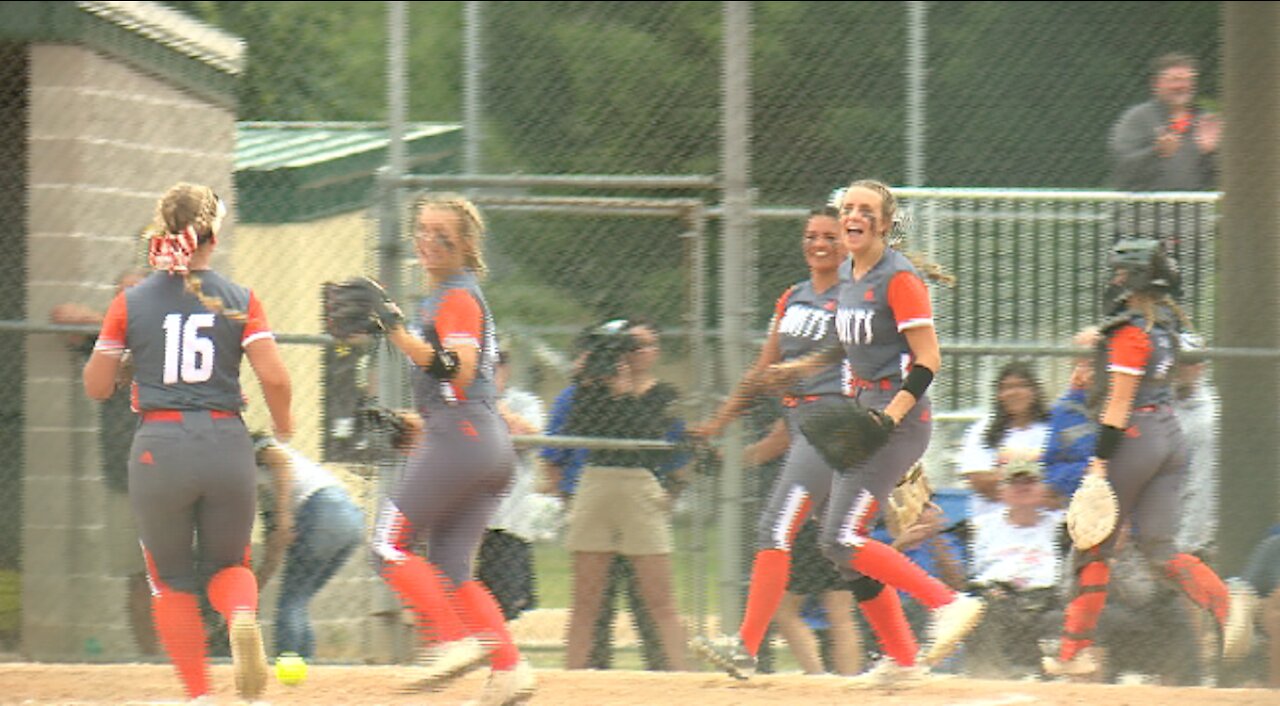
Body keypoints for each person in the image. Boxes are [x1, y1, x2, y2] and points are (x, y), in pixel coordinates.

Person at [749, 179, 985, 686]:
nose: (853, 215)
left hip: (897, 419)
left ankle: (948, 602)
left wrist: (891, 417)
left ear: (883, 223)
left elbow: (928, 360)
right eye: (847, 208)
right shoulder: (853, 276)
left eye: (865, 210)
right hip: (865, 412)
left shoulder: (898, 279)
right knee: (836, 544)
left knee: (843, 535)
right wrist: (800, 368)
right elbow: (846, 347)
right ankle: (902, 661)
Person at [82, 183, 293, 702]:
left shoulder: (130, 301)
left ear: (161, 230)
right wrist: (284, 426)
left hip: (160, 445)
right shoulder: (241, 298)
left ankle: (199, 694)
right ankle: (241, 614)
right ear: (212, 237)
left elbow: (97, 385)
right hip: (226, 441)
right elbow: (277, 378)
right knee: (231, 566)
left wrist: (132, 355)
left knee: (170, 579)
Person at [1041, 238, 1250, 678]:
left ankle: (1072, 652)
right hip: (1170, 436)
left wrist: (1098, 467)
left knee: (1092, 545)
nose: (1115, 281)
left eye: (1121, 274)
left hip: (1136, 435)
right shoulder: (1166, 329)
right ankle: (1228, 609)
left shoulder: (1129, 331)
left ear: (1135, 280)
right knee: (1160, 551)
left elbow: (1117, 406)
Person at [369, 192, 533, 704]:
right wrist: (415, 421)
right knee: (450, 568)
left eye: (444, 234)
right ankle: (508, 669)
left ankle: (448, 637)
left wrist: (394, 330)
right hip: (479, 441)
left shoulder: (458, 295)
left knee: (385, 545)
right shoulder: (444, 297)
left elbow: (457, 369)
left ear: (466, 244)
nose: (430, 241)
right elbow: (461, 389)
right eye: (422, 230)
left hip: (463, 440)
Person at [688, 206, 854, 678]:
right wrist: (716, 425)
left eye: (830, 236)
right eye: (811, 235)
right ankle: (928, 622)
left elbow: (848, 359)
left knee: (778, 532)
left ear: (847, 244)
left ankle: (746, 648)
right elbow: (763, 373)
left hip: (833, 423)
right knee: (844, 548)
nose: (819, 244)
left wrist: (800, 372)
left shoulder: (854, 297)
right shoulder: (793, 298)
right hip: (804, 425)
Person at [561, 317, 692, 671]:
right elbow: (577, 430)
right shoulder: (594, 389)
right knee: (585, 602)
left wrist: (624, 392)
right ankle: (570, 679)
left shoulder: (663, 394)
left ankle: (683, 678)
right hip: (596, 481)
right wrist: (585, 382)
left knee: (660, 600)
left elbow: (650, 442)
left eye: (642, 346)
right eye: (627, 346)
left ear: (654, 352)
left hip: (639, 484)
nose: (633, 354)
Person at [541, 328, 667, 670]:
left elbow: (659, 443)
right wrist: (569, 501)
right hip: (591, 498)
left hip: (635, 501)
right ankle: (587, 678)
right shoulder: (577, 394)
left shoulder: (658, 395)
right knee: (593, 604)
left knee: (650, 602)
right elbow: (557, 450)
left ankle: (667, 675)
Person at [50, 269, 156, 654]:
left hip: (172, 477)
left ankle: (189, 656)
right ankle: (152, 661)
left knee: (179, 576)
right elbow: (61, 316)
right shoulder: (109, 340)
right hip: (124, 479)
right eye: (121, 294)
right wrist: (114, 323)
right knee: (137, 578)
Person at [252, 437, 364, 661]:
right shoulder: (264, 493)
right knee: (298, 599)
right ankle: (307, 669)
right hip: (349, 519)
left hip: (320, 509)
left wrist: (284, 514)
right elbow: (275, 546)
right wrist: (250, 594)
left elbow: (280, 460)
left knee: (292, 600)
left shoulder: (256, 448)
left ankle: (290, 666)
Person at [1109, 52, 1221, 258]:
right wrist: (1156, 152)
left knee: (1186, 289)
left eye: (1188, 79)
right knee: (1137, 290)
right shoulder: (1138, 118)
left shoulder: (1204, 121)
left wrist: (1211, 152)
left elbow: (1218, 179)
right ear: (1156, 84)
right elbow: (1123, 167)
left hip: (1188, 230)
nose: (1182, 86)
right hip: (1139, 228)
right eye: (1174, 80)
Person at [476, 348, 559, 621]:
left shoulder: (523, 403)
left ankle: (502, 660)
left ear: (506, 369)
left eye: (495, 365)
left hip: (506, 522)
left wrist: (494, 404)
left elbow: (528, 439)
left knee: (505, 610)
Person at [964, 459, 1066, 679]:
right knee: (981, 609)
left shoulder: (1062, 526)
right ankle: (990, 682)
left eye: (1030, 481)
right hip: (997, 596)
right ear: (1002, 491)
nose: (1023, 487)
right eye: (1015, 482)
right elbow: (970, 575)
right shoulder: (981, 526)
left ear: (1043, 489)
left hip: (1047, 597)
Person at [955, 361, 1052, 521]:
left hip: (1046, 527)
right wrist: (1034, 482)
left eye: (1021, 386)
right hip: (991, 526)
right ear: (998, 394)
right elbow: (980, 482)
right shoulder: (982, 429)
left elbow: (1059, 485)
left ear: (1035, 391)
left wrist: (1004, 477)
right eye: (1007, 387)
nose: (1014, 392)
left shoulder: (1053, 429)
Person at [1042, 327, 1101, 507]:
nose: (1091, 362)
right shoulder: (1064, 412)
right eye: (1084, 357)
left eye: (1098, 354)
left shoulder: (1136, 404)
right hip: (1082, 512)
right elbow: (1050, 470)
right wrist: (1085, 471)